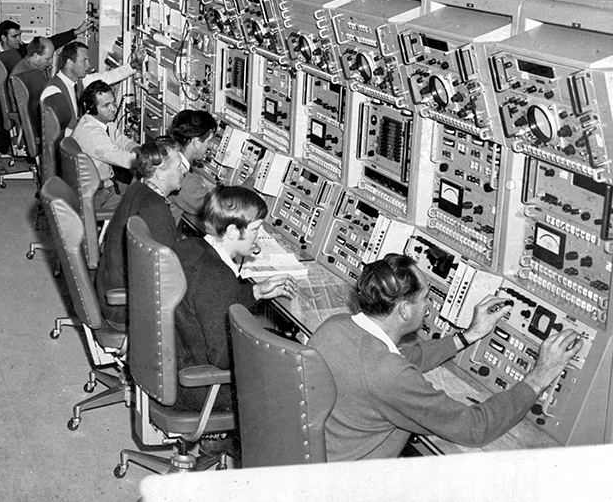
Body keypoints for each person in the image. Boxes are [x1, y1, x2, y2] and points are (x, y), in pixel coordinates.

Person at [308, 254, 583, 462]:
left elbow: (402, 358)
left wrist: (468, 336)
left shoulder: (336, 326)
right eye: (426, 298)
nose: (429, 307)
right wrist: (541, 375)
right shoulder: (388, 375)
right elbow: (475, 428)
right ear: (404, 310)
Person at [173, 186, 298, 413]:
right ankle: (222, 443)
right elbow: (222, 356)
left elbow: (208, 301)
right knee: (295, 377)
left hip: (179, 366)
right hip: (204, 389)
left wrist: (255, 292)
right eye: (256, 229)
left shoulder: (189, 247)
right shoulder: (218, 275)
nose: (258, 237)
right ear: (233, 231)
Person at [0, 20, 89, 174]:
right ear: (3, 38)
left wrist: (75, 32)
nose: (19, 39)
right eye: (15, 36)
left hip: (10, 100)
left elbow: (49, 42)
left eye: (20, 35)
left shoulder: (20, 51)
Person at [95, 136, 186, 329]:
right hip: (124, 308)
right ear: (160, 174)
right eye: (178, 167)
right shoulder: (155, 208)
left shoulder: (139, 186)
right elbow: (172, 276)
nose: (183, 171)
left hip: (109, 285)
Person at [40, 40, 145, 131]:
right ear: (69, 62)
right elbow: (55, 131)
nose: (88, 65)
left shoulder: (78, 81)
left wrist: (134, 64)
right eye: (84, 61)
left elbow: (109, 76)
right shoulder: (53, 90)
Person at [72, 79, 138, 207]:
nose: (113, 109)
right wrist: (149, 158)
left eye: (114, 103)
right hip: (96, 193)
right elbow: (122, 159)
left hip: (105, 183)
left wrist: (136, 147)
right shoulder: (91, 133)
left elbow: (119, 139)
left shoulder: (100, 121)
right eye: (106, 105)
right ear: (91, 108)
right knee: (141, 207)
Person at [167, 109, 218, 226]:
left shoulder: (162, 152)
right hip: (160, 240)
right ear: (196, 142)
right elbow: (224, 208)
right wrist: (253, 177)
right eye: (208, 141)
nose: (208, 147)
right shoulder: (181, 177)